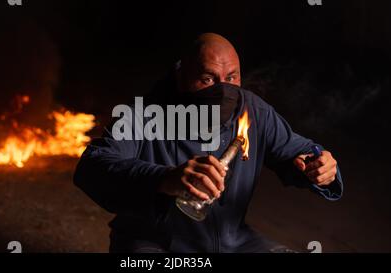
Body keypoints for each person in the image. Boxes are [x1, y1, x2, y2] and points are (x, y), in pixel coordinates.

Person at [73, 33, 343, 253]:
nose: (224, 89)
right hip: (155, 244)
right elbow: (92, 167)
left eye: (231, 77)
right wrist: (164, 179)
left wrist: (320, 166)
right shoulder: (142, 114)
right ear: (181, 77)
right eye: (208, 79)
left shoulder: (253, 111)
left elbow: (302, 152)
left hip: (234, 244)